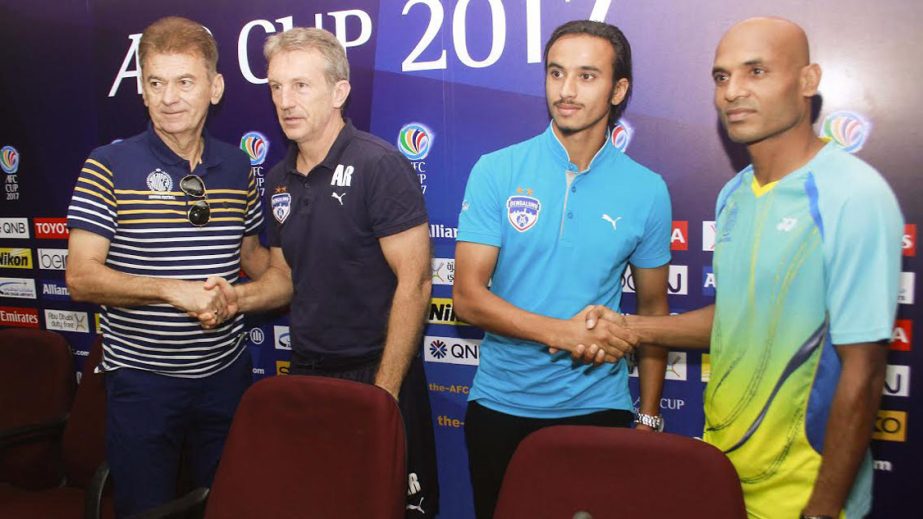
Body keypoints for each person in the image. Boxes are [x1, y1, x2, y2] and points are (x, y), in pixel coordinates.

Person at [583, 17, 902, 519]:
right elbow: (736, 320)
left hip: (804, 498)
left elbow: (863, 373)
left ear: (808, 81)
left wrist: (821, 510)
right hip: (721, 478)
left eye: (756, 71)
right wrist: (629, 326)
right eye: (721, 77)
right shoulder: (733, 195)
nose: (734, 91)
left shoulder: (853, 195)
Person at [206, 27, 439, 517]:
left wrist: (384, 392)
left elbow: (415, 283)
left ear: (339, 92)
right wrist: (237, 299)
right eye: (276, 87)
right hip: (310, 374)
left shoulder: (379, 166)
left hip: (378, 370)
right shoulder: (276, 181)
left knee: (389, 508)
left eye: (301, 86)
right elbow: (285, 276)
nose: (285, 101)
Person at [452, 20, 672, 519]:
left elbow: (654, 312)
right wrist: (565, 334)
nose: (566, 91)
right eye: (556, 73)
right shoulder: (497, 169)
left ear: (619, 90)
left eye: (586, 76)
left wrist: (650, 416)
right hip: (500, 407)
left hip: (600, 409)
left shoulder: (647, 189)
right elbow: (467, 297)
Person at [65, 16, 269, 517]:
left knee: (227, 504)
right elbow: (80, 276)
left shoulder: (238, 168)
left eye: (185, 82)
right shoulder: (108, 164)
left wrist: (320, 262)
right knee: (146, 510)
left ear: (215, 88)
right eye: (156, 83)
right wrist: (172, 291)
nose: (169, 97)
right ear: (143, 90)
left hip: (226, 376)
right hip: (143, 382)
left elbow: (257, 262)